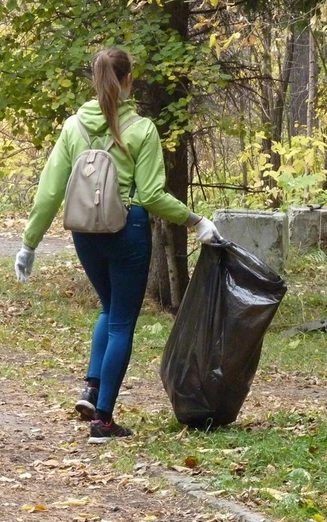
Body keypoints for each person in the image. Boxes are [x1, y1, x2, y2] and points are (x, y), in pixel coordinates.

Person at [15, 47, 218, 445]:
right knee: (122, 320)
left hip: (84, 233)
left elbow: (50, 192)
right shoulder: (141, 130)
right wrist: (196, 221)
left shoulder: (74, 126)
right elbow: (154, 196)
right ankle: (103, 421)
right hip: (128, 230)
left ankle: (91, 391)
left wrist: (29, 244)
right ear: (129, 79)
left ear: (95, 78)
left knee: (109, 310)